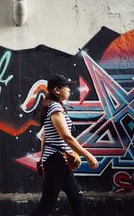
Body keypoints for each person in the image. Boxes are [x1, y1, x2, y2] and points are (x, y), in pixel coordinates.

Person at [32, 74, 99, 216]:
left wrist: (42, 158)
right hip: (56, 160)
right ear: (57, 90)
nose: (69, 90)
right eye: (66, 87)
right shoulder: (55, 107)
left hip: (58, 160)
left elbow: (44, 136)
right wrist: (88, 155)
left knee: (76, 198)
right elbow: (66, 137)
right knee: (47, 204)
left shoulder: (53, 106)